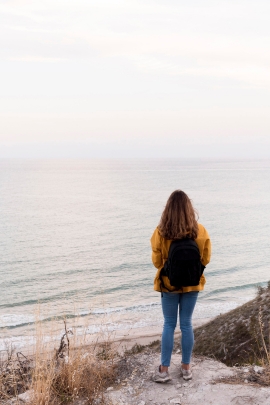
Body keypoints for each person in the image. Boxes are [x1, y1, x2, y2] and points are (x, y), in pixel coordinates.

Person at [151, 190, 211, 383]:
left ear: (168, 210)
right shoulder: (200, 231)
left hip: (169, 285)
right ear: (189, 209)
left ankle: (164, 370)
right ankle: (186, 369)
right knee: (186, 324)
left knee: (169, 323)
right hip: (192, 285)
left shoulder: (160, 232)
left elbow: (157, 262)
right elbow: (206, 258)